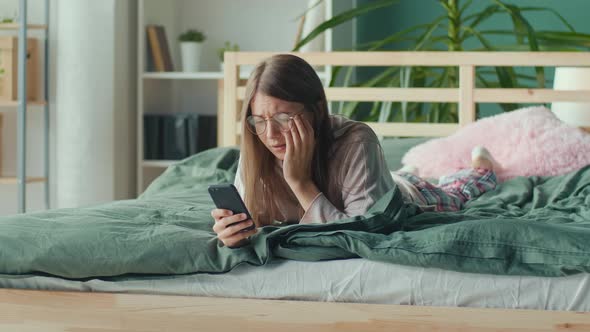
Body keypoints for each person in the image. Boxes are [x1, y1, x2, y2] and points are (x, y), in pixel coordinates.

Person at [211, 54, 498, 248]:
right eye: (259, 121)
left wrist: (300, 182)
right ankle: (404, 172)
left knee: (457, 192)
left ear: (315, 111)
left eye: (284, 119)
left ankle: (481, 166)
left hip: (406, 197)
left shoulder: (357, 141)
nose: (270, 135)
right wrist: (232, 232)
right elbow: (252, 225)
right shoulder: (257, 147)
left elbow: (356, 237)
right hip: (371, 183)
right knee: (399, 175)